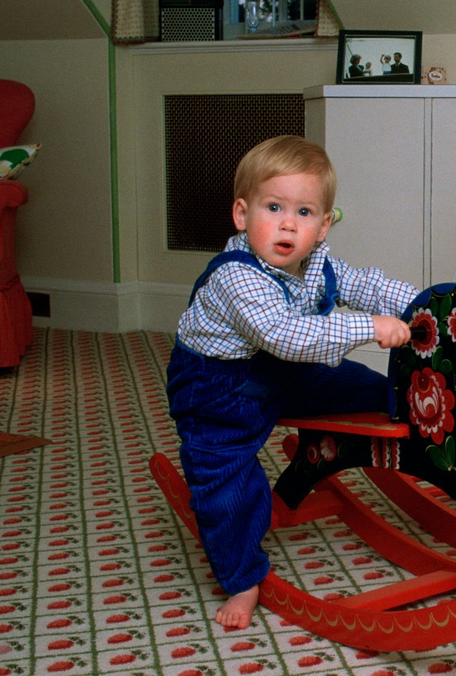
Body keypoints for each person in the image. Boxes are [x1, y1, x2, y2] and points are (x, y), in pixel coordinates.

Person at [166, 135, 415, 630]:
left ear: (322, 226)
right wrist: (369, 326)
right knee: (227, 486)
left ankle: (410, 415)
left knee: (365, 387)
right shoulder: (237, 277)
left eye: (303, 213)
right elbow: (285, 335)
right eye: (273, 207)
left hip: (282, 372)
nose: (286, 223)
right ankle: (242, 578)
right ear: (242, 214)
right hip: (220, 390)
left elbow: (367, 284)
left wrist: (421, 304)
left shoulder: (317, 263)